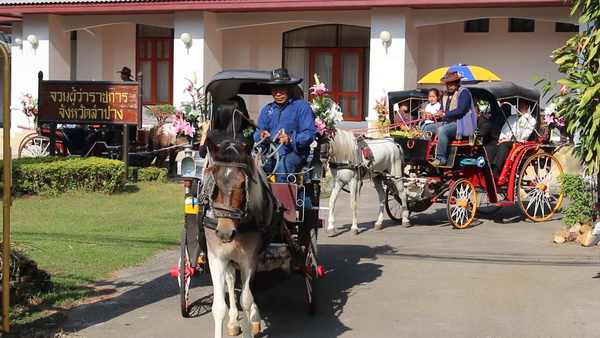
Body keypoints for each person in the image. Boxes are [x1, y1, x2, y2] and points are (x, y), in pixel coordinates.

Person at [253, 68, 316, 183]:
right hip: (270, 152)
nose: (278, 94)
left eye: (281, 89)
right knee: (255, 169)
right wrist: (262, 136)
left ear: (290, 88)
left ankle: (281, 201)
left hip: (295, 152)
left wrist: (291, 139)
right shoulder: (267, 109)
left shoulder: (302, 107)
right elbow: (257, 131)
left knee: (283, 168)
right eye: (274, 90)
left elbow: (309, 133)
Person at [422, 71, 477, 166]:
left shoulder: (464, 93)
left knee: (442, 130)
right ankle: (428, 154)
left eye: (451, 84)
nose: (449, 86)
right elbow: (442, 111)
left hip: (460, 123)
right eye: (448, 84)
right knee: (426, 128)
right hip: (447, 122)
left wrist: (445, 114)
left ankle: (441, 158)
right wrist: (432, 116)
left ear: (457, 83)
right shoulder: (445, 95)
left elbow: (461, 110)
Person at [492, 100, 537, 179]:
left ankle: (496, 170)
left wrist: (509, 139)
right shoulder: (512, 117)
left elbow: (524, 135)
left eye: (520, 105)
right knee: (490, 146)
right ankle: (488, 167)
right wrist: (502, 138)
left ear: (526, 107)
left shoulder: (531, 120)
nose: (517, 107)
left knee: (504, 145)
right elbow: (504, 129)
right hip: (506, 140)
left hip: (519, 142)